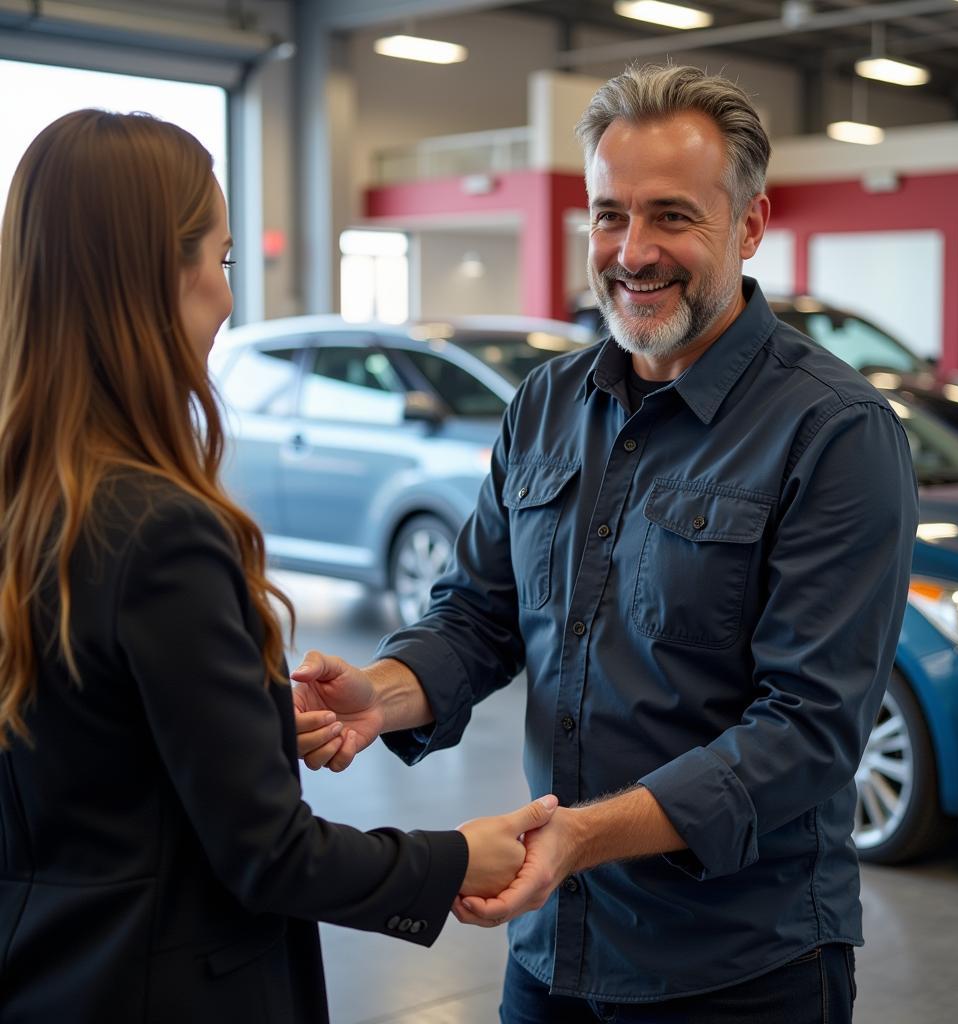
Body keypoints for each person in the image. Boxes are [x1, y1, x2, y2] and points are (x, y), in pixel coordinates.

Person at [294, 64, 919, 1023]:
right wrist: (380, 693)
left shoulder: (833, 432)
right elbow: (479, 614)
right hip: (549, 952)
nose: (633, 251)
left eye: (672, 216)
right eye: (607, 214)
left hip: (737, 970)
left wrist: (581, 838)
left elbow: (807, 729)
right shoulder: (547, 403)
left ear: (749, 225)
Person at [0, 108, 557, 1024]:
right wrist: (459, 855)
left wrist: (246, 723)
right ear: (151, 278)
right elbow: (268, 853)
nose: (228, 300)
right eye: (220, 263)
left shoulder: (32, 500)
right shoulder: (158, 533)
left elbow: (93, 755)